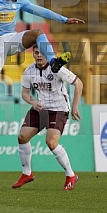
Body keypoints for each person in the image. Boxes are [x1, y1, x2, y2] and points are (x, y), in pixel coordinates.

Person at [0, 0, 84, 147]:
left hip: (10, 39)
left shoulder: (19, 0)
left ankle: (53, 62)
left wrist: (64, 19)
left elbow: (40, 11)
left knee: (37, 33)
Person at [12, 45, 83, 190]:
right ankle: (27, 174)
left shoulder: (56, 68)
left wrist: (75, 106)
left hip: (59, 109)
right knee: (22, 137)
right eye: (36, 52)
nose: (39, 55)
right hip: (41, 108)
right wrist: (33, 102)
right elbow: (25, 93)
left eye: (42, 53)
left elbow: (79, 83)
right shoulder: (29, 71)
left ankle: (71, 175)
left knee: (51, 142)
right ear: (33, 54)